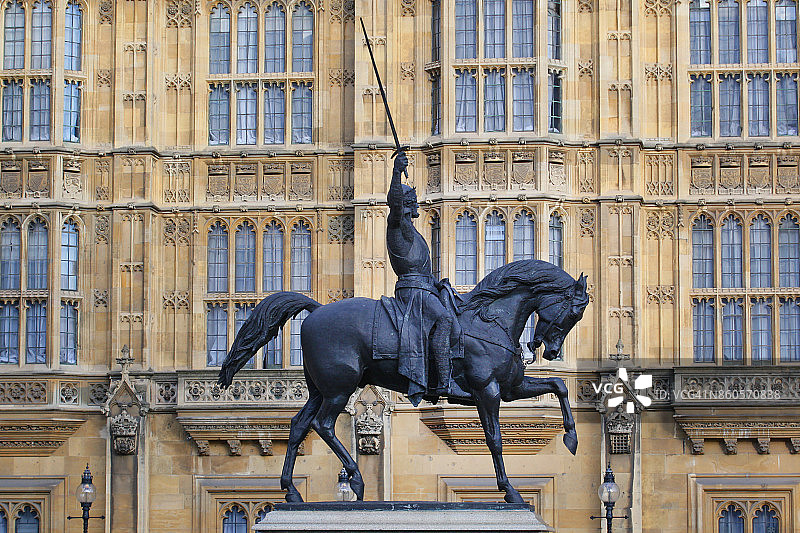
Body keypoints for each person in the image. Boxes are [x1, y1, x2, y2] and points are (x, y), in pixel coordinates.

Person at [386, 151, 469, 399]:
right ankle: (445, 382)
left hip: (425, 287)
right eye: (412, 200)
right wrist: (396, 172)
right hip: (413, 292)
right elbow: (394, 203)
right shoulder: (398, 225)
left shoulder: (413, 231)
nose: (416, 204)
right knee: (444, 319)